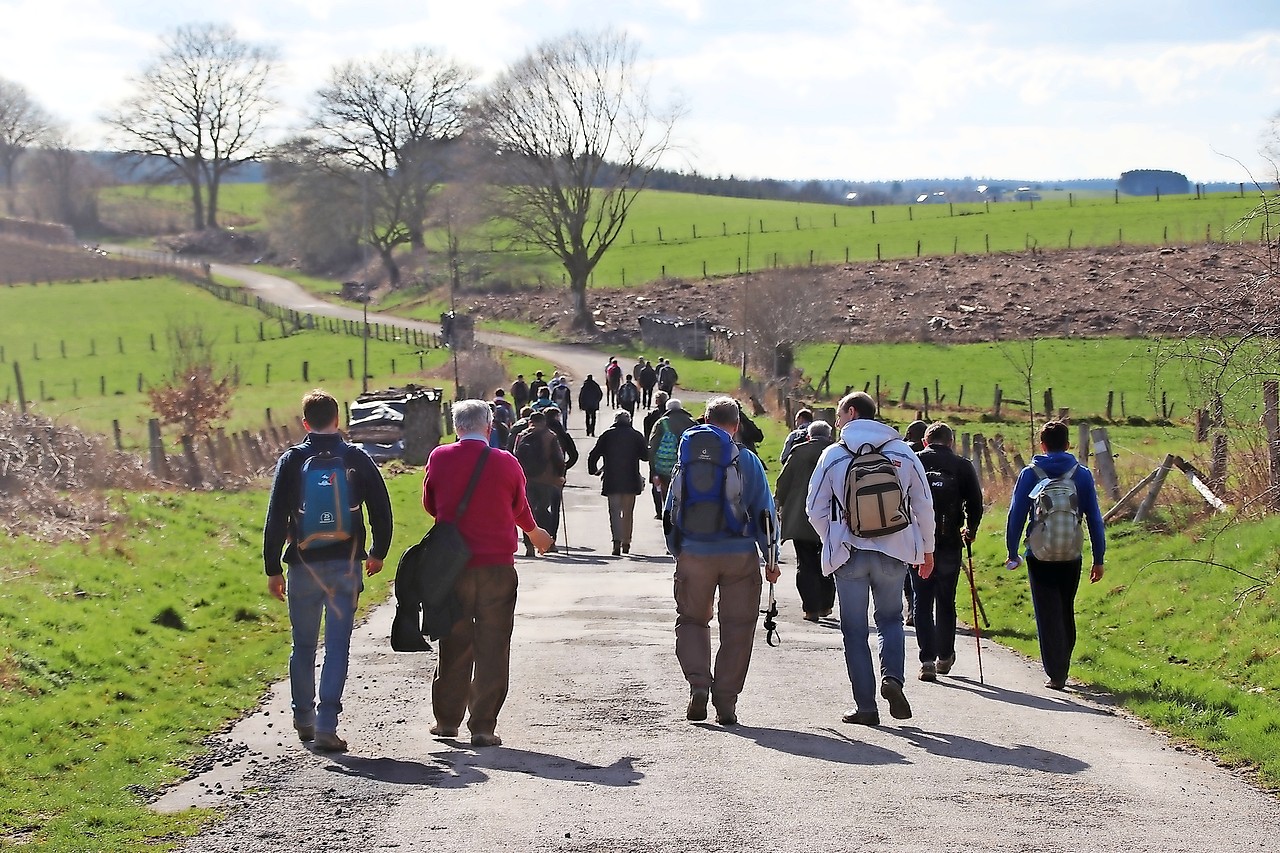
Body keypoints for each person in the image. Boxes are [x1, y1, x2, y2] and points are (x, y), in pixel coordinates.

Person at [263, 389, 393, 753]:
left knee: (303, 644)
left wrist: (273, 567)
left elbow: (275, 517)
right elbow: (381, 509)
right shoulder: (356, 457)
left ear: (305, 423)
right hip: (346, 564)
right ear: (339, 420)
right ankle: (326, 724)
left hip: (304, 567)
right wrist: (378, 552)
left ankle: (302, 717)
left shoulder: (292, 460)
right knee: (337, 646)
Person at [423, 399, 553, 748]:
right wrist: (534, 531)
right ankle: (482, 725)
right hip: (497, 566)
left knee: (454, 641)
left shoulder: (439, 458)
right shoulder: (507, 462)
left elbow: (431, 505)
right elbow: (519, 506)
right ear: (489, 427)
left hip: (453, 567)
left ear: (456, 428)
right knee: (494, 644)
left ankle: (447, 720)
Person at [806, 391, 934, 726]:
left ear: (851, 412)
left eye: (838, 415)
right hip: (895, 551)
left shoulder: (833, 455)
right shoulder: (903, 452)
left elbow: (814, 509)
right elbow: (923, 504)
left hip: (849, 553)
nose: (836, 422)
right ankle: (893, 678)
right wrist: (927, 549)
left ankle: (866, 708)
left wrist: (832, 538)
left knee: (854, 629)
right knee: (891, 620)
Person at [665, 396, 780, 727]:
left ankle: (698, 684)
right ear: (737, 425)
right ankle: (726, 702)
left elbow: (671, 508)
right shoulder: (746, 460)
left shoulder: (686, 458)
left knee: (691, 620)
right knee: (739, 628)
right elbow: (765, 514)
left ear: (705, 419)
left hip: (694, 553)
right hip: (739, 556)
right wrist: (772, 558)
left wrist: (680, 551)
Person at [1005, 420, 1106, 691]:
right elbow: (1095, 518)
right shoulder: (1081, 474)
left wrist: (1012, 551)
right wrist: (1099, 558)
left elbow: (1016, 514)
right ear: (1068, 444)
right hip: (1071, 552)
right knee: (1065, 608)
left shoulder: (1030, 473)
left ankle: (1056, 673)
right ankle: (1064, 664)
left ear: (1042, 444)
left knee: (1046, 611)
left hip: (1038, 554)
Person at [912, 422, 983, 681]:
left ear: (925, 441)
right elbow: (976, 504)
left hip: (919, 543)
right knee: (945, 600)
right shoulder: (962, 466)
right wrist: (971, 530)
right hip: (950, 541)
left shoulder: (915, 461)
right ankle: (945, 656)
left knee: (921, 601)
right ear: (951, 442)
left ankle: (926, 660)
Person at [774, 420, 835, 622]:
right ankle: (826, 604)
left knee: (805, 563)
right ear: (829, 436)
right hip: (830, 517)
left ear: (808, 436)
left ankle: (811, 609)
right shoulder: (836, 453)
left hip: (801, 517)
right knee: (827, 561)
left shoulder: (797, 453)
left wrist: (778, 502)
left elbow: (783, 482)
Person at [587, 411, 649, 556]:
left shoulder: (607, 435)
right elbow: (645, 456)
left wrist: (593, 470)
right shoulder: (636, 435)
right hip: (631, 479)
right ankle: (626, 542)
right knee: (628, 512)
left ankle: (616, 541)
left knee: (614, 512)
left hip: (612, 479)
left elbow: (593, 454)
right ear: (629, 420)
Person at [512, 411, 567, 556]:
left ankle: (529, 546)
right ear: (544, 422)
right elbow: (558, 458)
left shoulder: (521, 435)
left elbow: (515, 455)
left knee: (527, 511)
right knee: (542, 510)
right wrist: (560, 475)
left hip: (526, 479)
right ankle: (546, 543)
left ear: (530, 421)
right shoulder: (550, 436)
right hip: (545, 478)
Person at [648, 397, 695, 520]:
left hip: (665, 466)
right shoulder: (691, 422)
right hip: (687, 465)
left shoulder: (661, 423)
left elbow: (653, 446)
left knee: (664, 491)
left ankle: (665, 514)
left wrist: (653, 470)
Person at [642, 391, 670, 518]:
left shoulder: (650, 416)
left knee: (656, 482)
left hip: (655, 452)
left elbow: (646, 435)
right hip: (670, 452)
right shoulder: (670, 416)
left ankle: (659, 511)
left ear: (656, 401)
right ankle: (668, 508)